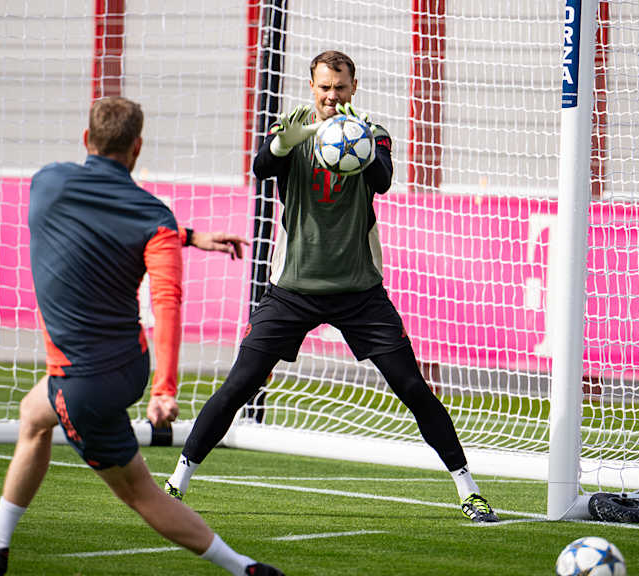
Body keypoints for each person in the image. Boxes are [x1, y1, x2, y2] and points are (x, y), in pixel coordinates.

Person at [0, 97, 284, 576]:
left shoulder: (47, 184)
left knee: (139, 492)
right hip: (124, 367)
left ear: (86, 140)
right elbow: (167, 303)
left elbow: (102, 222)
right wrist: (163, 387)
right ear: (136, 147)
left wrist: (183, 234)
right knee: (33, 416)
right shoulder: (155, 216)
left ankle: (246, 569)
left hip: (83, 381)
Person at [164, 50, 499, 524]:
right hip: (292, 290)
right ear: (311, 86)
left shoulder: (375, 134)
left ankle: (469, 490)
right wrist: (285, 143)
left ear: (353, 88)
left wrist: (362, 144)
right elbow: (262, 168)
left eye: (340, 88)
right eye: (324, 87)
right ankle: (177, 481)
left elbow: (382, 181)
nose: (331, 97)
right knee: (240, 383)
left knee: (412, 387)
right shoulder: (292, 131)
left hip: (359, 293)